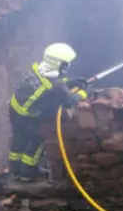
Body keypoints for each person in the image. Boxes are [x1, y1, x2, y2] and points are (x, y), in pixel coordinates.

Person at [8, 43, 89, 180]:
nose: (67, 66)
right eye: (66, 63)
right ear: (58, 63)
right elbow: (69, 100)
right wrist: (82, 93)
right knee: (37, 139)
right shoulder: (55, 85)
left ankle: (15, 169)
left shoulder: (39, 69)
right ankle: (28, 172)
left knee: (19, 138)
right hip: (28, 116)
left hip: (15, 109)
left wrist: (70, 82)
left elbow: (55, 84)